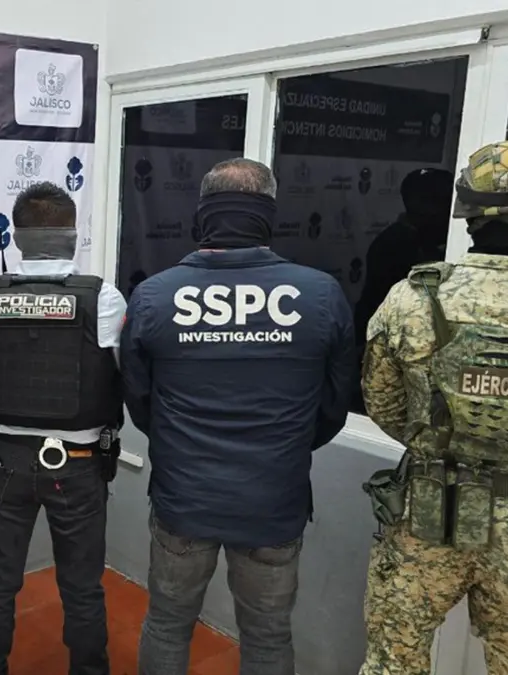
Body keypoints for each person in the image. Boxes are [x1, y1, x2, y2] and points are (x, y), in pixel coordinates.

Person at [359, 139, 508, 675]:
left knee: (393, 661)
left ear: (469, 216)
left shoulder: (414, 297)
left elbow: (383, 403)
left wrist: (433, 442)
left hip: (426, 513)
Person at [121, 158, 357, 675]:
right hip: (273, 500)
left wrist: (178, 443)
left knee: (167, 624)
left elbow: (139, 402)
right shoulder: (320, 294)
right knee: (268, 637)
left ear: (204, 213)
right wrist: (286, 446)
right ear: (267, 215)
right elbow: (334, 407)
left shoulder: (155, 295)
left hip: (184, 498)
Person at [0, 182, 125, 675]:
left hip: (4, 461)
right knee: (82, 586)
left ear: (18, 237)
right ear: (72, 236)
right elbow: (123, 373)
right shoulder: (103, 298)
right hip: (77, 465)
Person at [352, 168, 455, 412]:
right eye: (436, 202)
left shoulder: (429, 240)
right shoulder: (397, 243)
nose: (442, 211)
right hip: (391, 342)